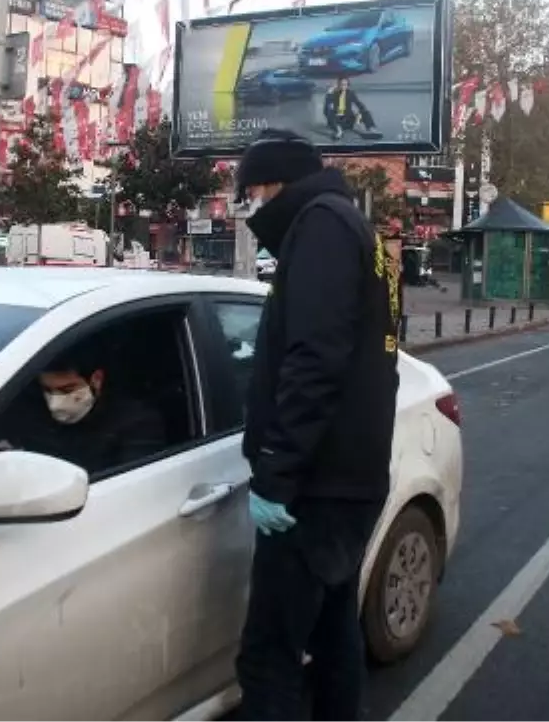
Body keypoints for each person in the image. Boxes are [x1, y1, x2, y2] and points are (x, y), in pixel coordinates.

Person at [233, 129, 400, 720]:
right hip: (349, 478)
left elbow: (314, 360)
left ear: (273, 184)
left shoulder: (322, 229)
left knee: (267, 658)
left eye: (249, 195)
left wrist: (277, 471)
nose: (248, 209)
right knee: (332, 637)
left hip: (315, 490)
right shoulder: (351, 225)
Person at [0, 348, 166, 476]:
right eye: (48, 391)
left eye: (67, 390)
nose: (55, 403)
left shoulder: (137, 422)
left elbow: (128, 488)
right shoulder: (30, 411)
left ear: (96, 379)